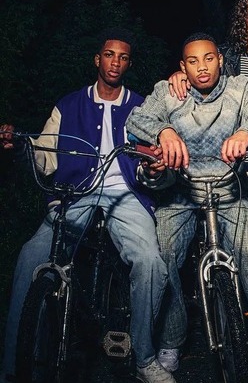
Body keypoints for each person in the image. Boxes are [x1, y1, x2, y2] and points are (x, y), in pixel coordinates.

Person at [0, 27, 172, 383]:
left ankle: (144, 357)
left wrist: (154, 169)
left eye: (123, 57)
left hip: (125, 195)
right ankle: (14, 366)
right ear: (97, 59)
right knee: (31, 257)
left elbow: (153, 164)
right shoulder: (68, 105)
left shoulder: (142, 107)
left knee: (151, 263)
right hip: (76, 193)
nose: (115, 62)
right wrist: (19, 147)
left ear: (128, 64)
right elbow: (44, 157)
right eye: (109, 54)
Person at [125, 32, 248, 383]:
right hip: (181, 192)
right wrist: (164, 132)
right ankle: (171, 340)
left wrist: (246, 133)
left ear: (220, 59)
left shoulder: (240, 87)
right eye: (192, 61)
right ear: (183, 66)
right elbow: (136, 120)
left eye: (208, 58)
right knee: (164, 255)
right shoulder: (168, 91)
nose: (201, 67)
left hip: (228, 189)